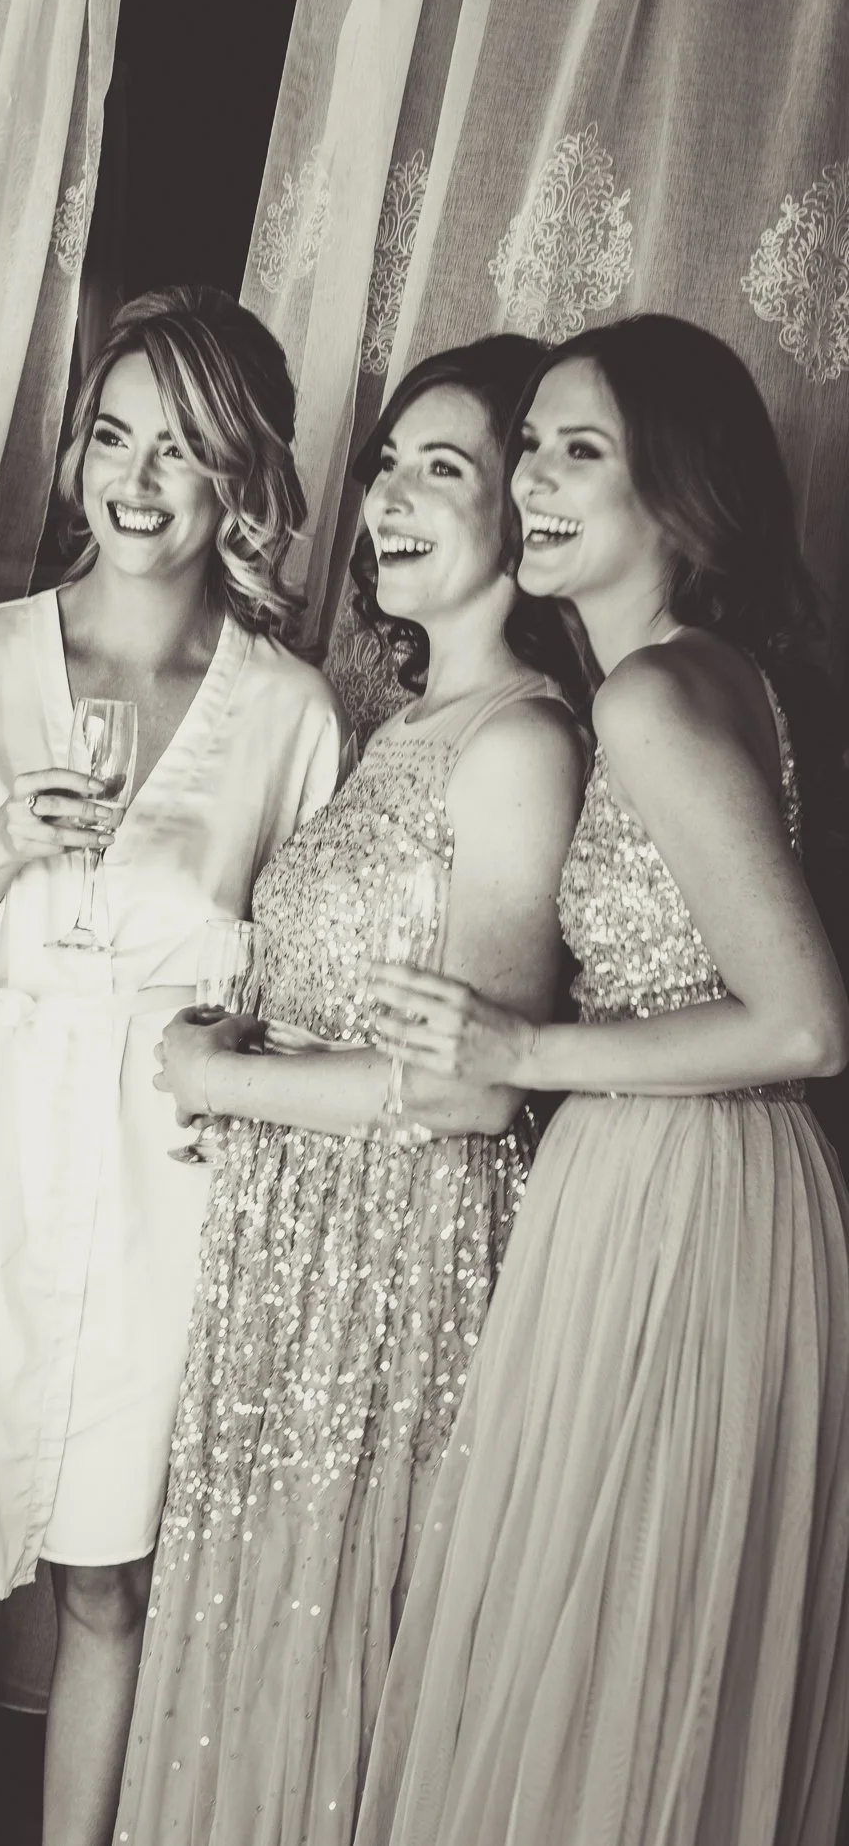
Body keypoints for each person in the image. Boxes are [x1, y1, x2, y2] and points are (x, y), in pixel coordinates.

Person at [0, 288, 345, 1846]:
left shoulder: (290, 716)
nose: (136, 478)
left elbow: (296, 971)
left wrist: (230, 1058)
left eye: (181, 448)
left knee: (110, 1578)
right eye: (112, 434)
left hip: (155, 1187)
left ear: (240, 477)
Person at [356, 313, 849, 1846]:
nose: (533, 479)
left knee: (612, 1638)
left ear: (677, 492)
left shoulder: (651, 696)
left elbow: (805, 1024)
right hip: (648, 1182)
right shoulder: (681, 680)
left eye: (581, 449)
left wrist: (523, 1053)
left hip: (685, 1199)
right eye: (529, 449)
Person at [112, 335, 587, 1846]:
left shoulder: (514, 743)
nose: (386, 496)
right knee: (257, 1638)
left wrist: (222, 1077)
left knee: (334, 1645)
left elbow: (470, 1093)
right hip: (295, 1259)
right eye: (382, 462)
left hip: (396, 1267)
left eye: (437, 470)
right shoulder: (398, 729)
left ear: (518, 506)